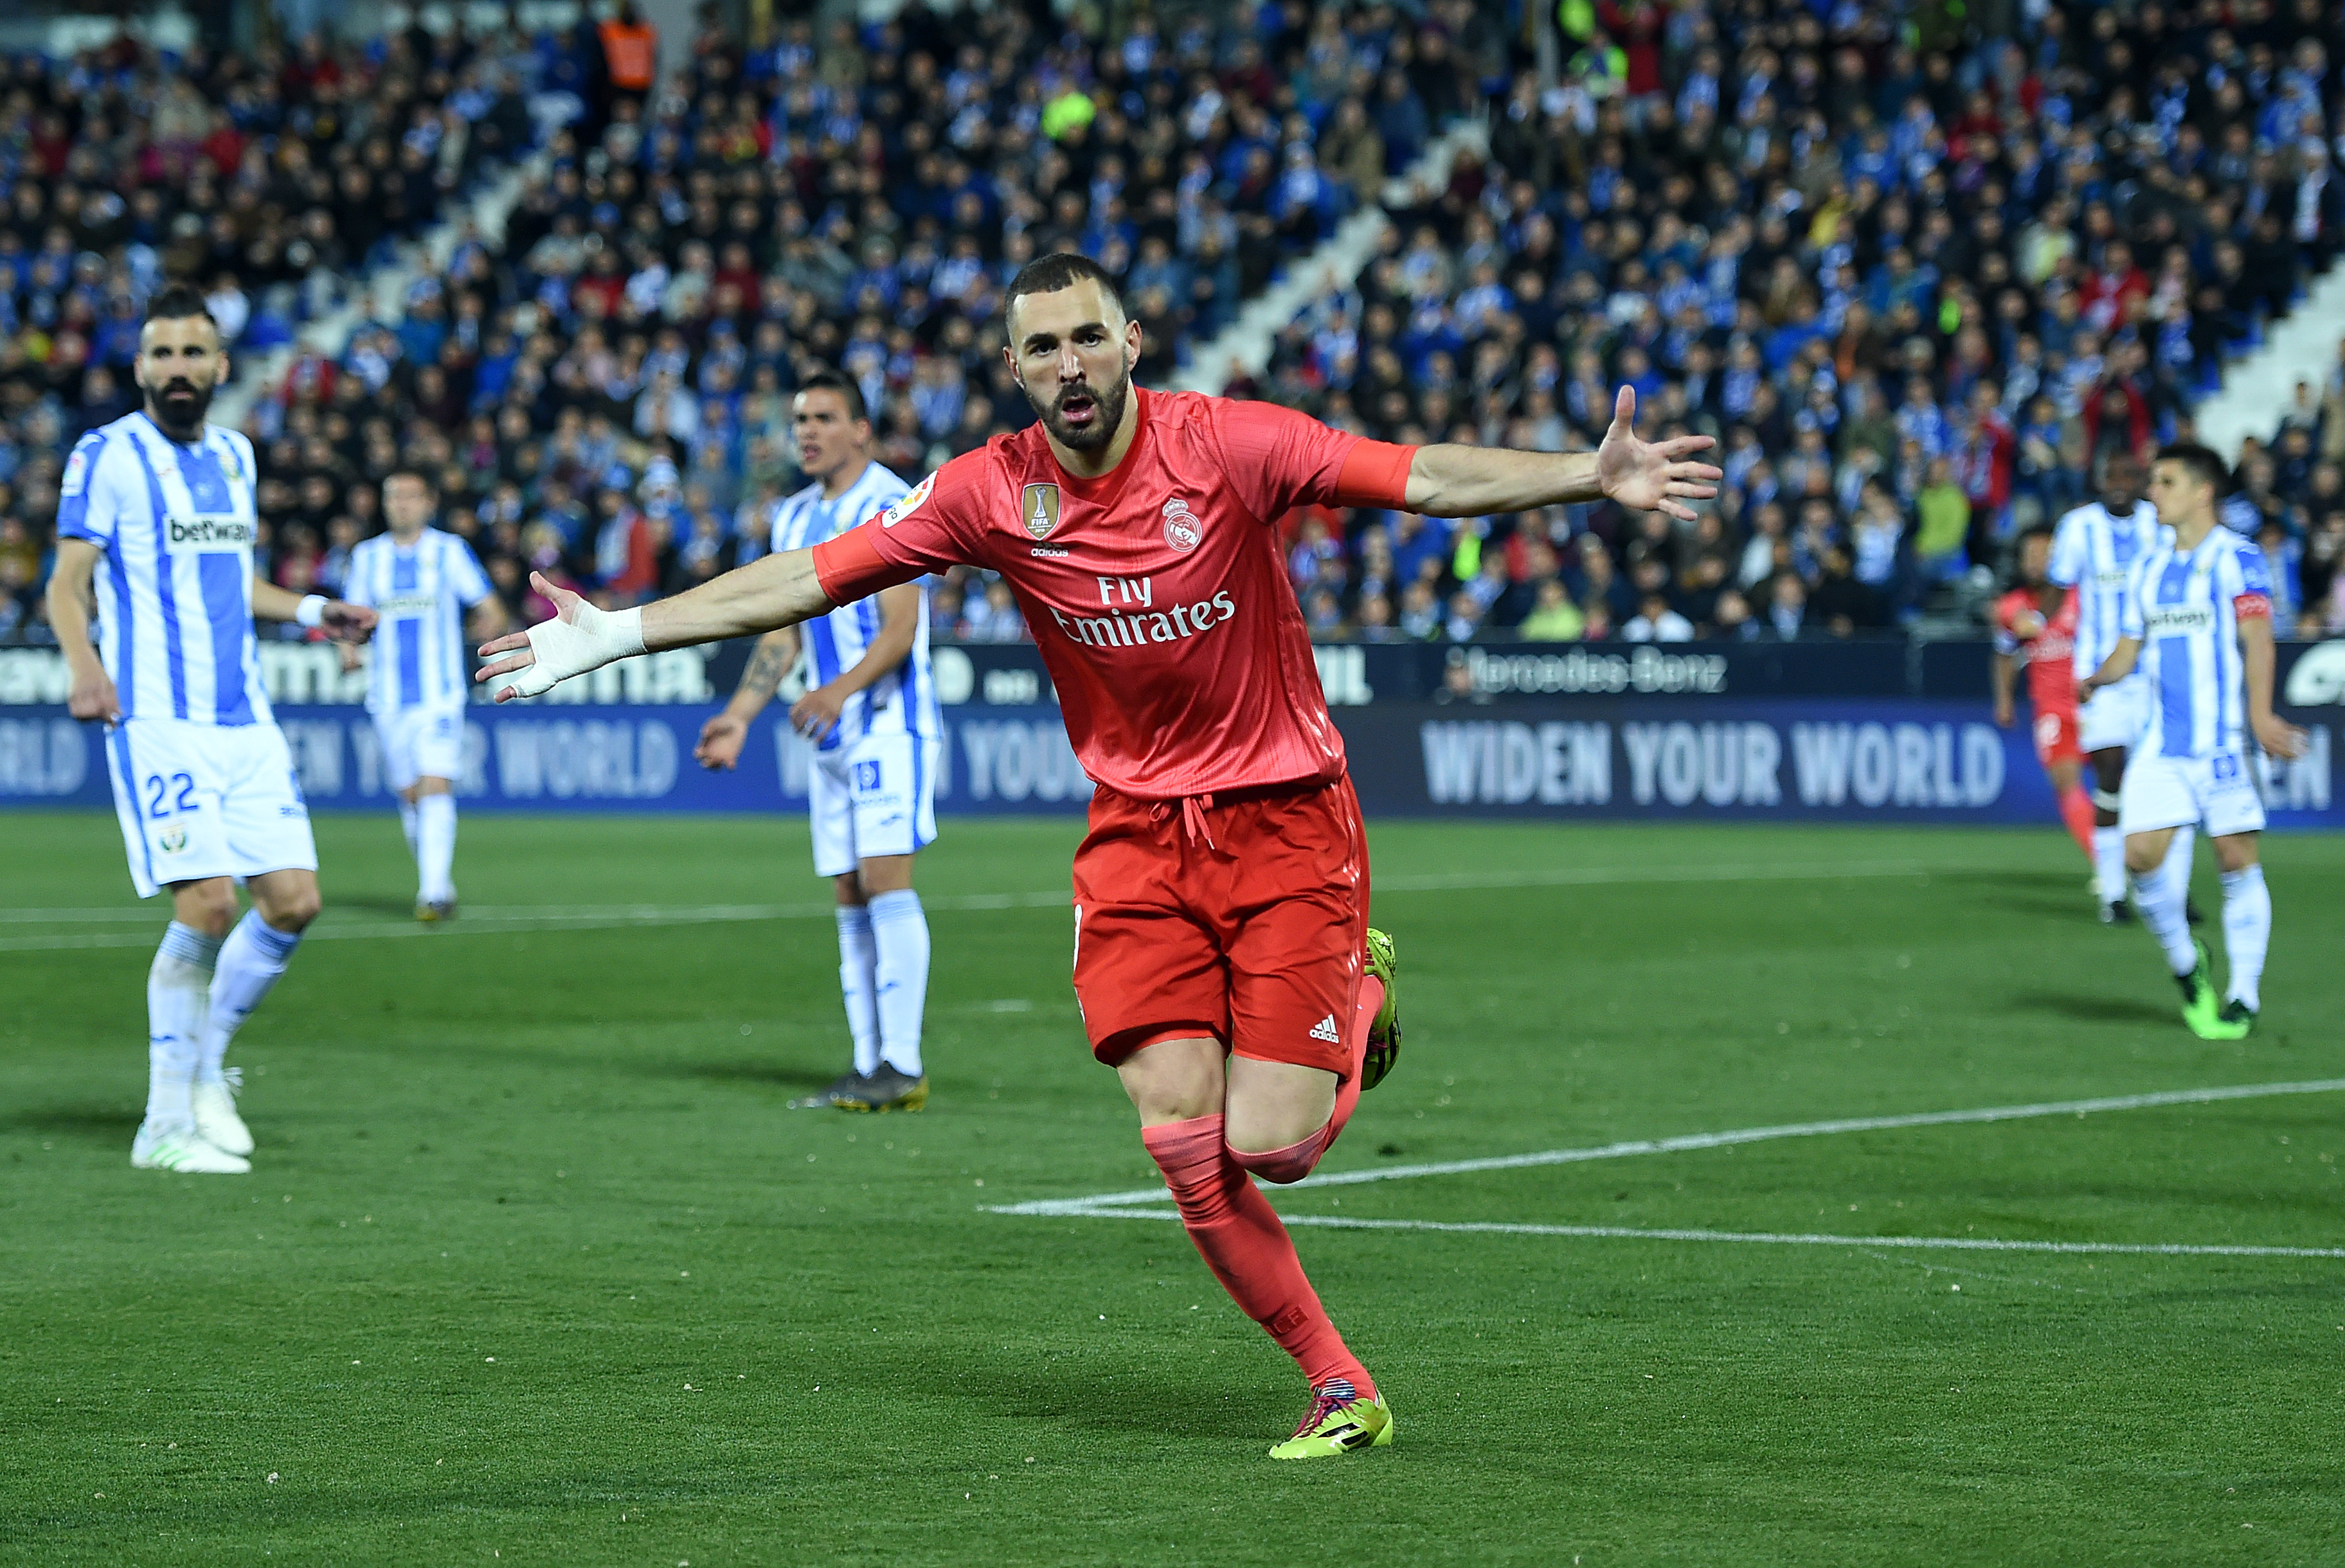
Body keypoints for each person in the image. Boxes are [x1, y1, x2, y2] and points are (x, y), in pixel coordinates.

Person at [476, 253, 1718, 1458]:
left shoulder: (1228, 444)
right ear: (1012, 369)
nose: (1068, 364)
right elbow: (808, 578)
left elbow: (1423, 479)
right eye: (1040, 347)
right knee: (1181, 1138)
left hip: (1285, 815)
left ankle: (1362, 979)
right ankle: (1338, 1383)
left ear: (1131, 344)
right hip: (1135, 839)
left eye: (1087, 336)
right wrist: (619, 635)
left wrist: (1578, 474)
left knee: (1274, 1144)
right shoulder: (987, 491)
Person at [42, 285, 375, 1175]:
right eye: (162, 354)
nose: (178, 369)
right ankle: (163, 1125)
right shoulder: (106, 454)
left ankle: (202, 1067)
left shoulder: (234, 456)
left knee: (296, 902)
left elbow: (237, 579)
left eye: (194, 354)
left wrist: (313, 608)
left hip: (245, 718)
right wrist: (85, 665)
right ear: (141, 366)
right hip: (156, 716)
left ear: (222, 366)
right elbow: (66, 581)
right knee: (209, 903)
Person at [694, 370, 939, 1113]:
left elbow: (901, 625)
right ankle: (868, 1064)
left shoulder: (891, 504)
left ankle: (902, 1060)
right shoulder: (794, 518)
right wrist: (740, 713)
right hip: (826, 736)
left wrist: (840, 688)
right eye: (799, 417)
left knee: (883, 878)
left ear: (861, 429)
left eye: (824, 417)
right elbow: (782, 632)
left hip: (887, 725)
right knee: (845, 887)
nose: (806, 430)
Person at [2078, 443, 2306, 1040]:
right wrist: (2095, 678)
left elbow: (2257, 639)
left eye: (2165, 482)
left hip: (2222, 741)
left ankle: (2242, 998)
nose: (2152, 491)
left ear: (2201, 492)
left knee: (2234, 859)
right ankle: (2186, 962)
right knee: (2139, 857)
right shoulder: (2149, 569)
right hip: (2161, 743)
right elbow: (2130, 649)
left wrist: (2259, 716)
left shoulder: (2238, 558)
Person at [339, 468, 508, 920]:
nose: (401, 504)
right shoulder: (366, 557)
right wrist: (347, 649)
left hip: (440, 695)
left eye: (410, 496)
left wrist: (487, 629)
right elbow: (349, 620)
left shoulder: (449, 551)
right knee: (411, 794)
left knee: (435, 783)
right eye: (392, 496)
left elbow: (488, 606)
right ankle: (441, 886)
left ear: (428, 503)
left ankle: (431, 894)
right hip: (387, 697)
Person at [2047, 455, 2180, 922]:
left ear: (2141, 483)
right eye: (2111, 475)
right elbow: (2056, 589)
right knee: (2111, 775)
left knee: (2164, 784)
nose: (2119, 484)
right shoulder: (2076, 527)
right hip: (2097, 675)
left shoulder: (2158, 524)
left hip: (2153, 672)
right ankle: (2112, 893)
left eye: (2128, 476)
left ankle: (2166, 891)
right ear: (2099, 479)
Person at [1990, 528, 2095, 866]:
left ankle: (2130, 857)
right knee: (2067, 784)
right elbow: (2005, 654)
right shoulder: (2011, 607)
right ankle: (2107, 865)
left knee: (2119, 785)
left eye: (2045, 554)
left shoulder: (2084, 598)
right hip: (2052, 709)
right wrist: (2004, 700)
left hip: (2096, 704)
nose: (2036, 563)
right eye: (2030, 556)